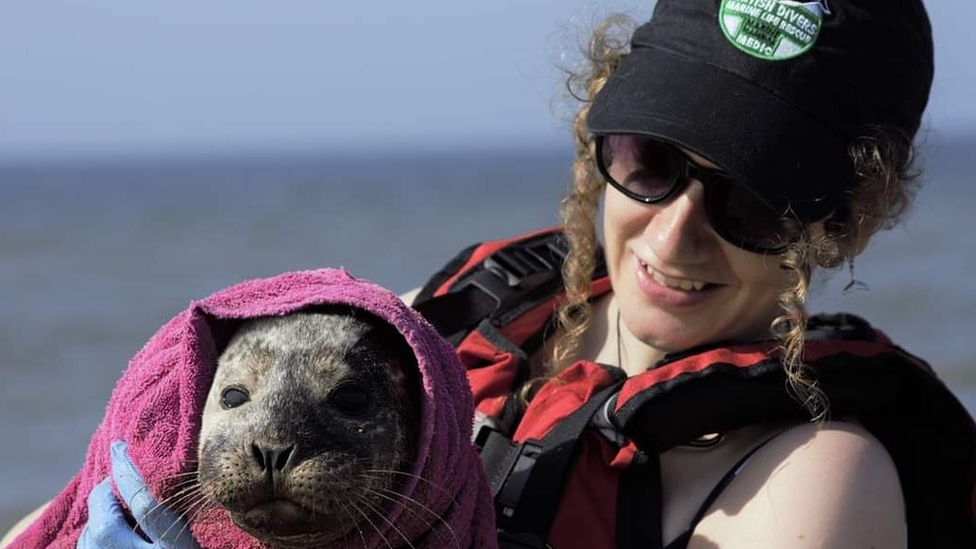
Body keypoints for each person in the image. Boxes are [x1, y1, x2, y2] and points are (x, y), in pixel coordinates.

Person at [4, 0, 975, 548]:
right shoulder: (478, 313)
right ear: (599, 125)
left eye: (754, 202)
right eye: (651, 161)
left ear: (847, 221)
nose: (674, 235)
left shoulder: (816, 486)